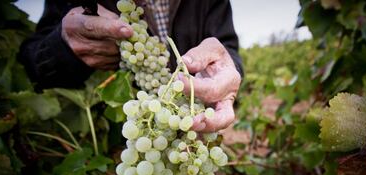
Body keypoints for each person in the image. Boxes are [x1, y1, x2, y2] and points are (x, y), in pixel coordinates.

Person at [19, 0, 242, 132]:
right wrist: (63, 45)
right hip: (114, 140)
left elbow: (227, 46)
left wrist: (227, 70)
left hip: (194, 124)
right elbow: (32, 61)